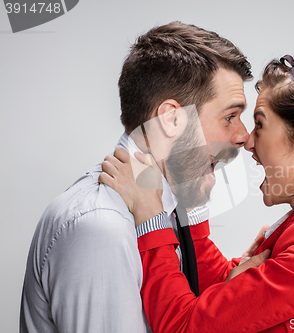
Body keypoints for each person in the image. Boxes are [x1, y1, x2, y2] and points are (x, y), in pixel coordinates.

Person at [100, 47, 294, 332]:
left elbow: (185, 325)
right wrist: (189, 194)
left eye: (259, 124)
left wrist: (151, 217)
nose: (247, 141)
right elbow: (226, 307)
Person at [20, 21, 256, 333]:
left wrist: (235, 287)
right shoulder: (102, 227)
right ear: (171, 119)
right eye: (229, 116)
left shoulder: (166, 208)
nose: (243, 136)